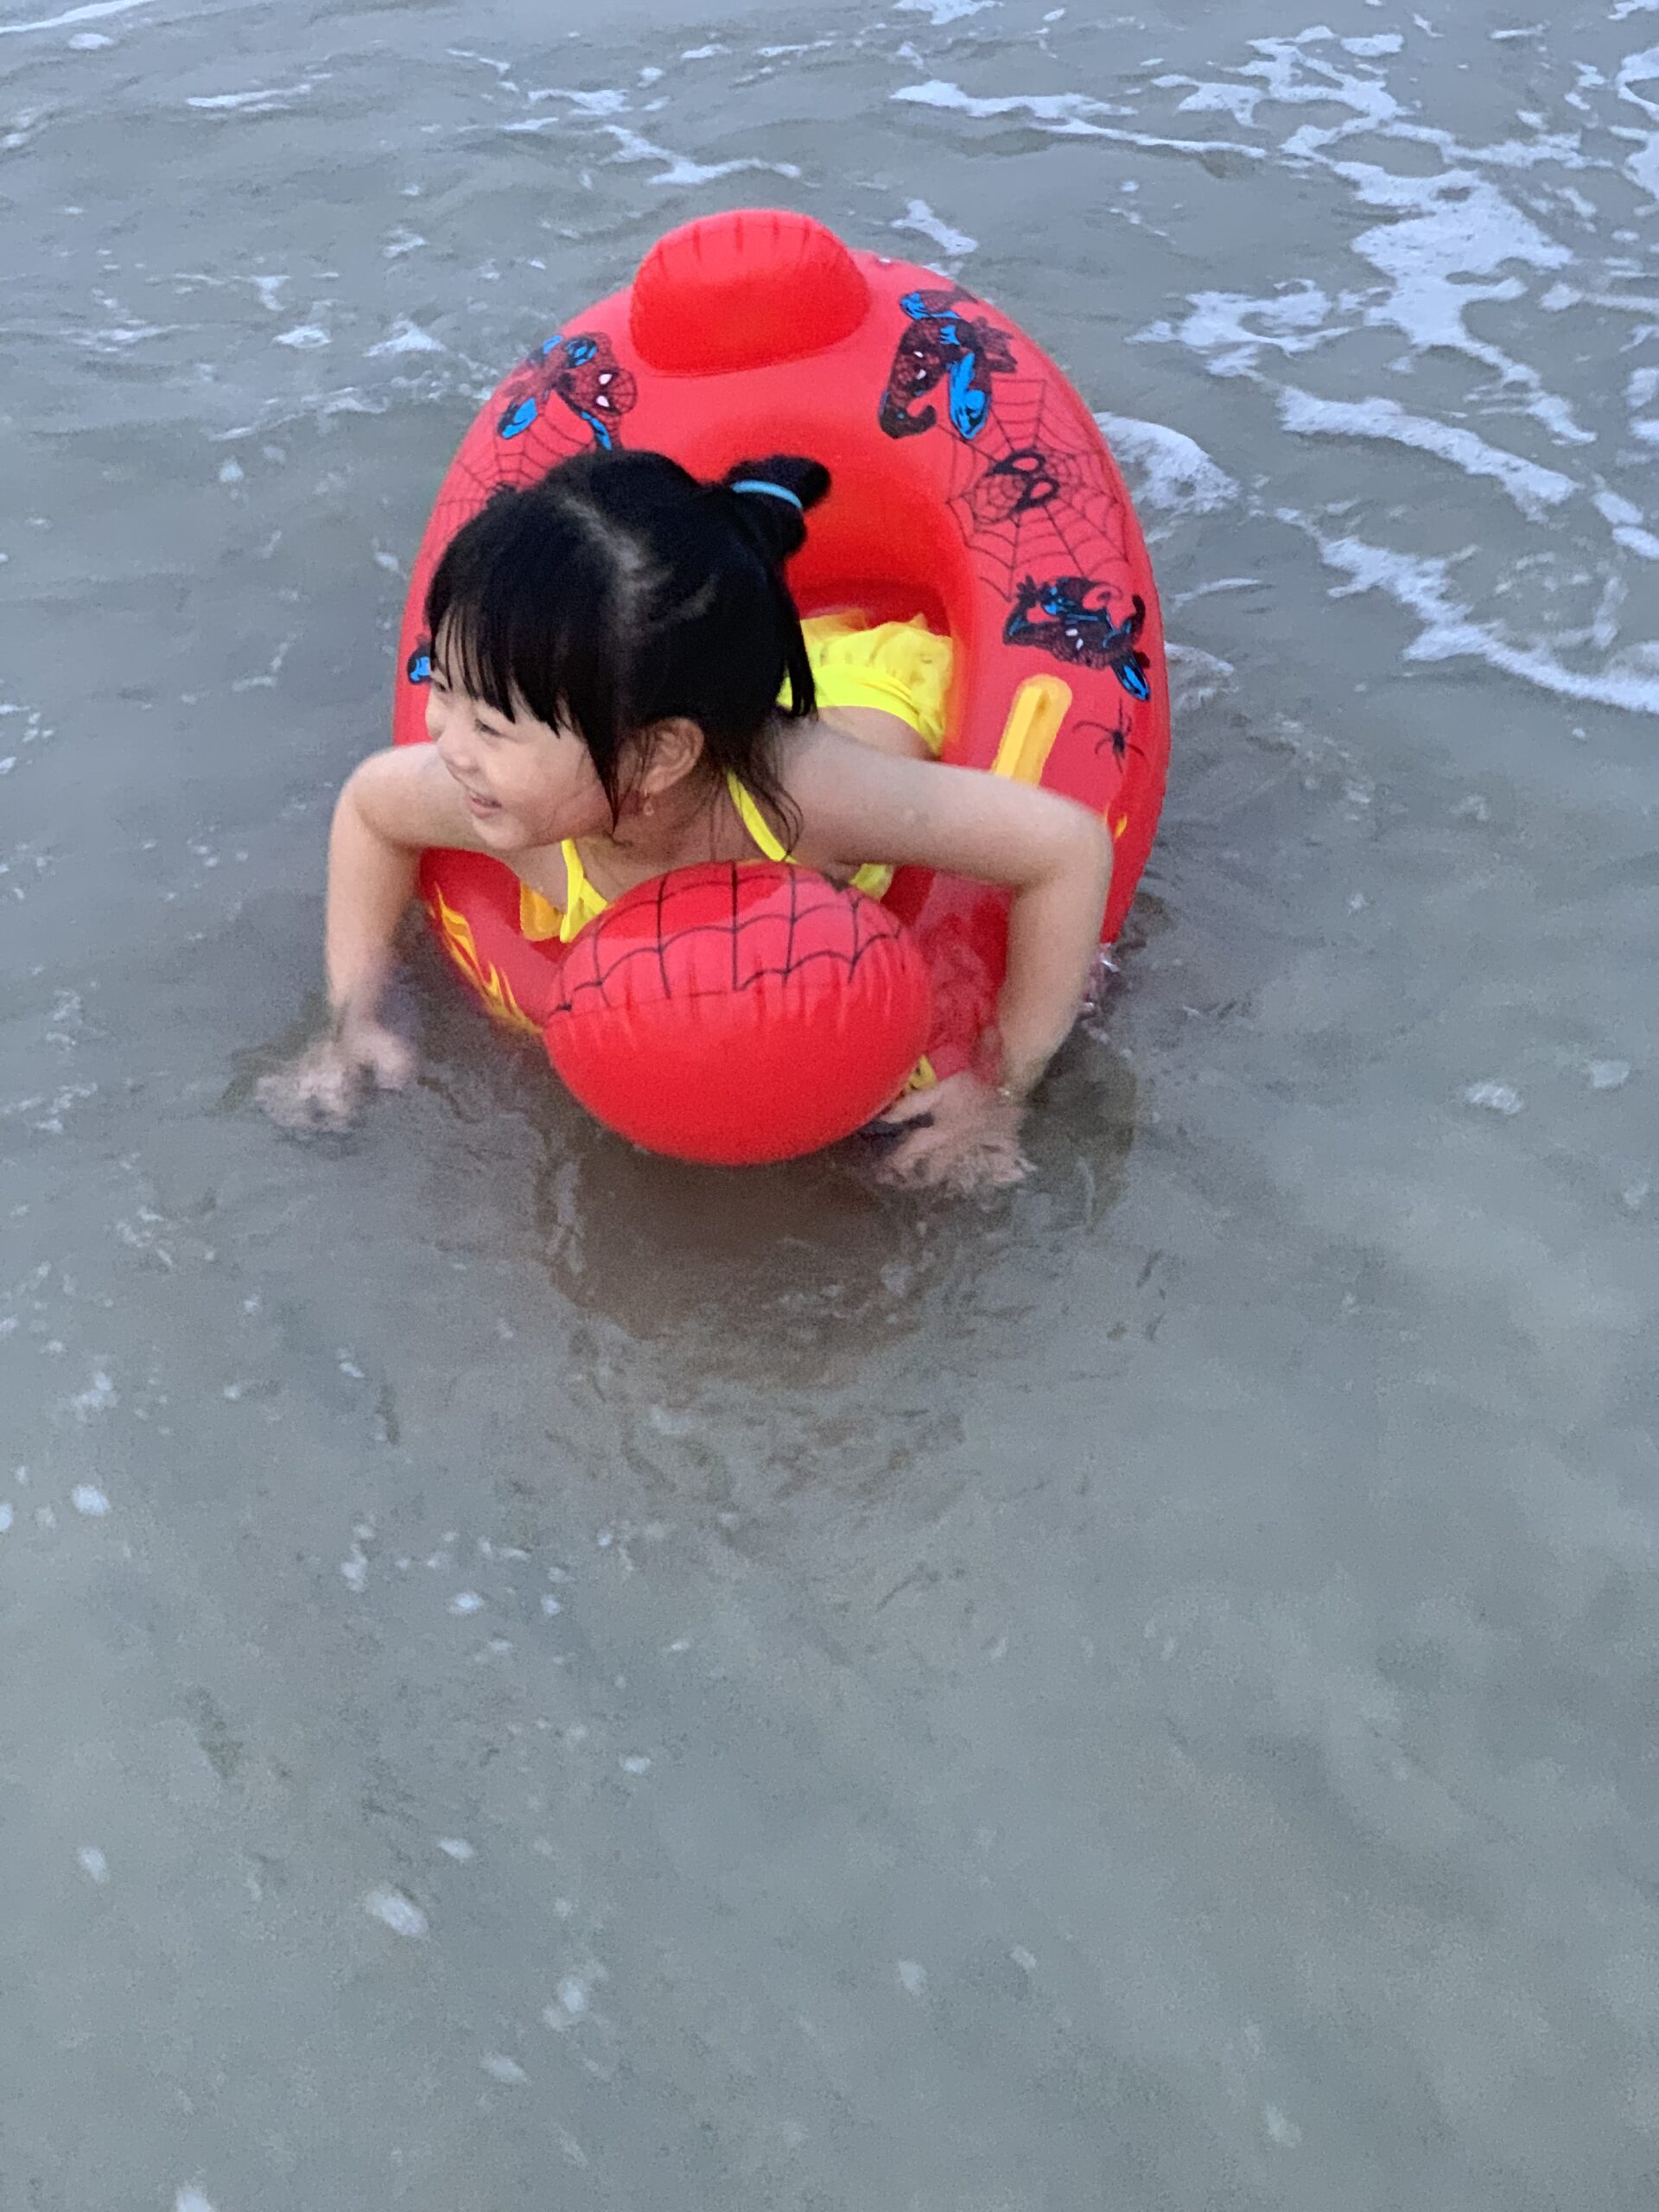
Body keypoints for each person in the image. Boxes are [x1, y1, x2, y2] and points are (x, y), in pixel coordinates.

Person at [259, 448, 1114, 1190]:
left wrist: (1003, 1091)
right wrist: (351, 1016)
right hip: (679, 716)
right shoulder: (523, 808)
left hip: (857, 694)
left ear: (655, 757)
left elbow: (1065, 848)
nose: (444, 738)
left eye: (490, 725)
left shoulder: (812, 800)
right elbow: (372, 808)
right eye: (439, 688)